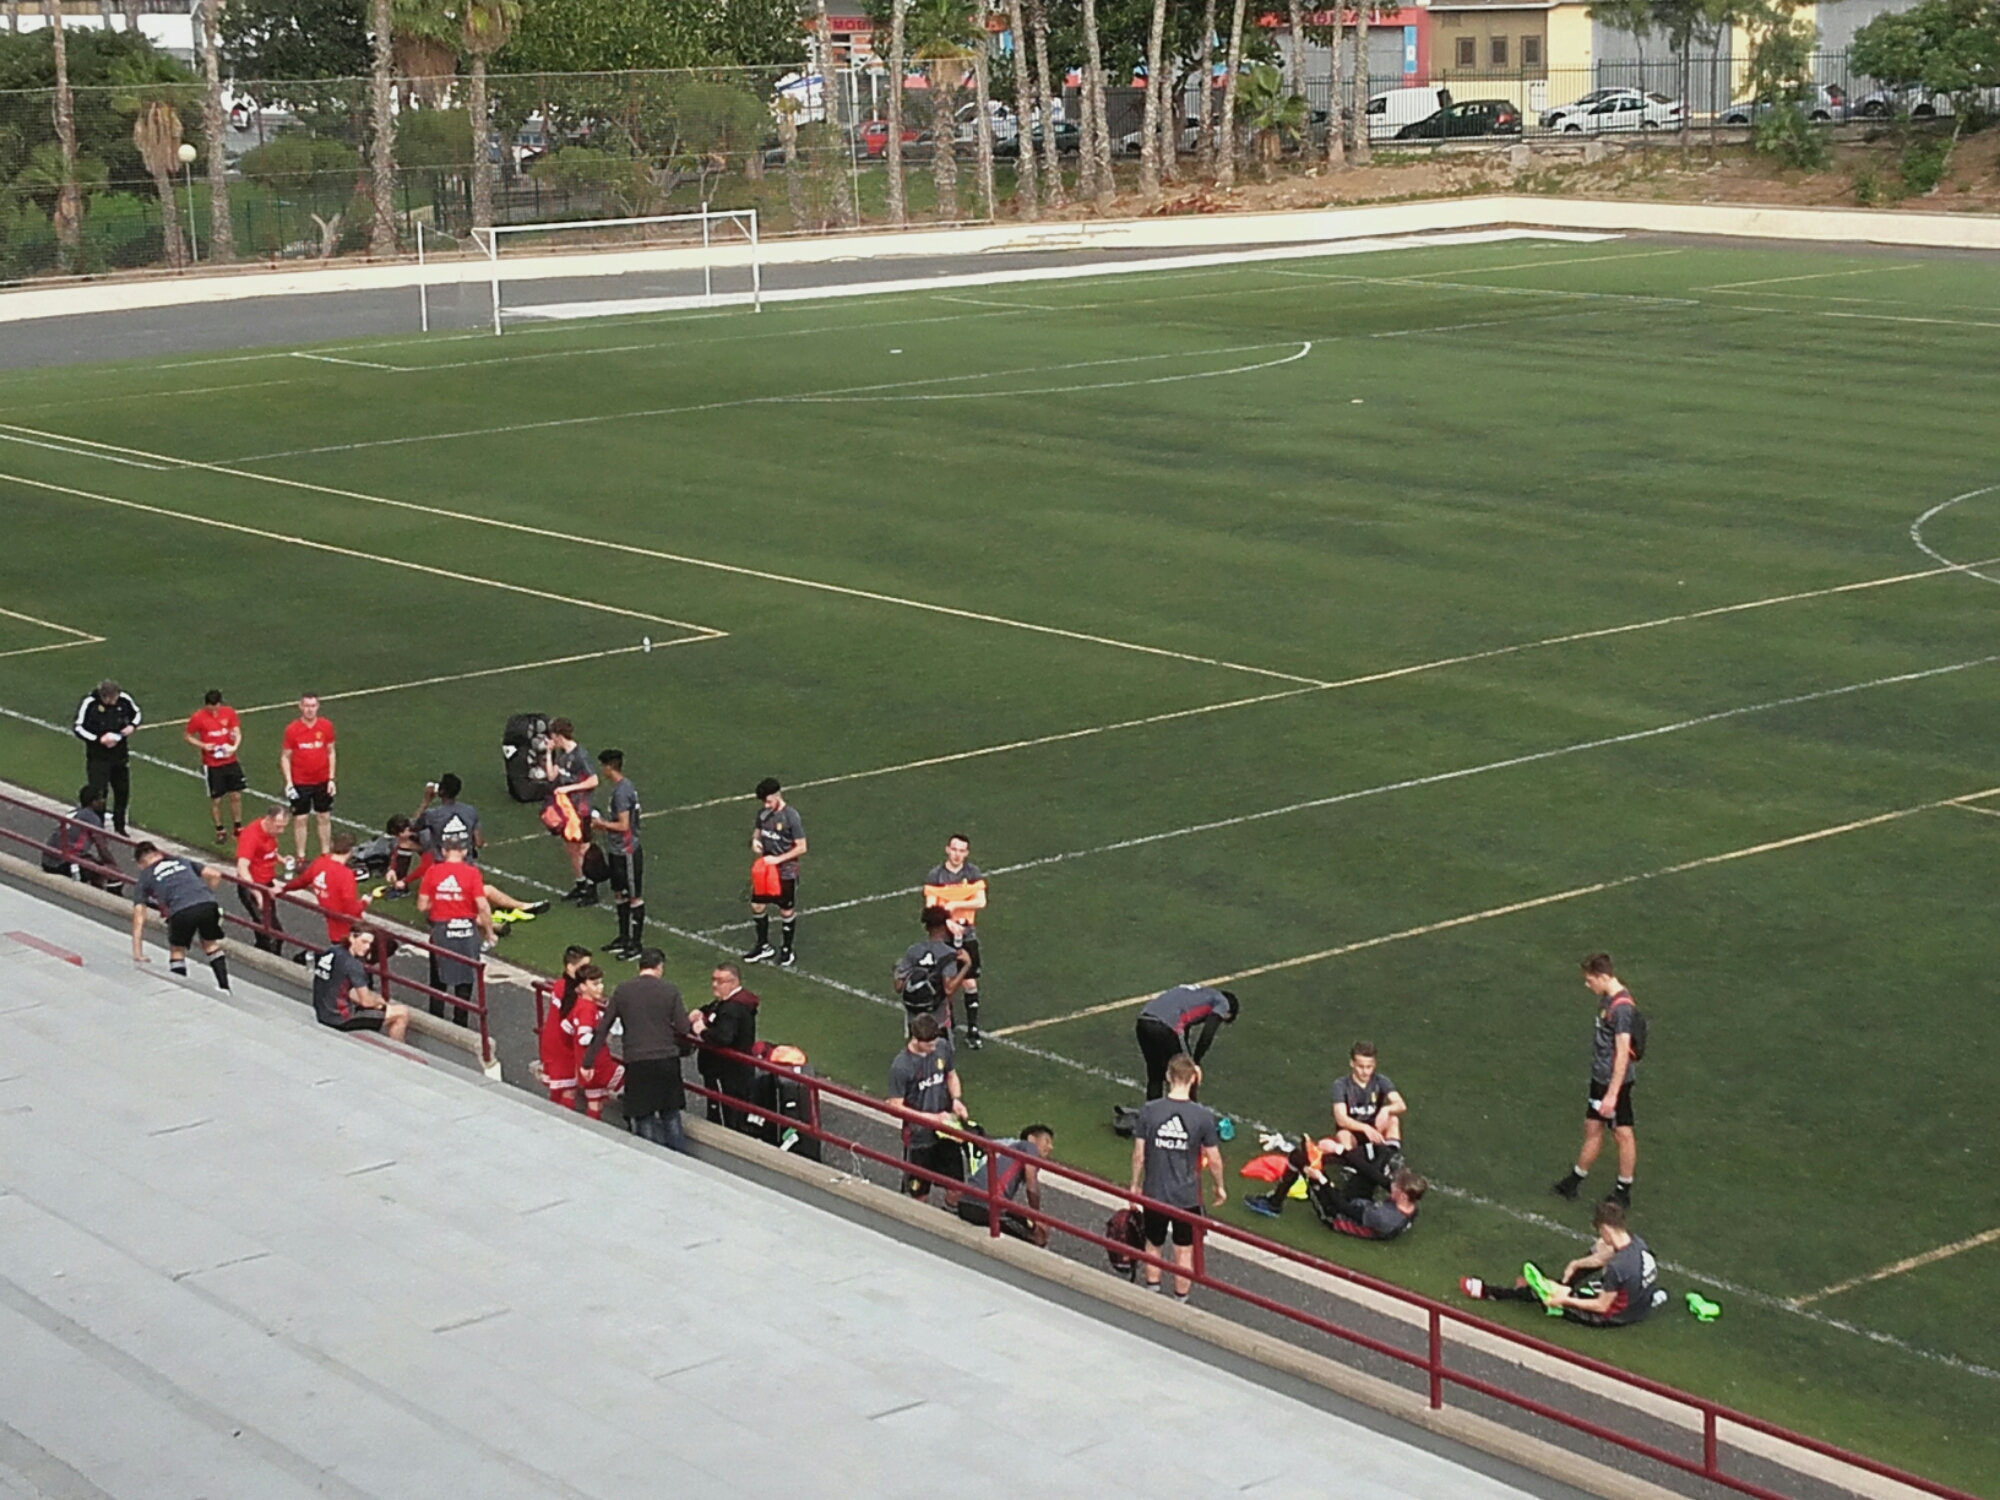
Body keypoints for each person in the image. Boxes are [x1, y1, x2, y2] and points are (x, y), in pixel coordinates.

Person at [1460, 1198, 1662, 1326]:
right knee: (1587, 1264)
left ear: (1605, 1229)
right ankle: (1560, 1285)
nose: (1601, 1237)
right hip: (1639, 1305)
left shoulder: (1618, 1268)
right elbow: (1606, 1256)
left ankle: (1491, 1292)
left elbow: (1601, 1307)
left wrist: (1564, 1300)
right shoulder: (1636, 1243)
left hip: (1613, 1316)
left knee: (1544, 1294)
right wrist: (1576, 1264)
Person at [1130, 1053, 1226, 1300]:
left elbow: (1139, 1155)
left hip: (1154, 1191)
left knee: (1153, 1243)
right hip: (1187, 1196)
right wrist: (1219, 1187)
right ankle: (1180, 1300)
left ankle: (1152, 1291)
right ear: (1193, 1078)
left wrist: (1134, 1185)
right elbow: (1214, 1159)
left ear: (1168, 1076)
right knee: (1184, 1250)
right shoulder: (1203, 1116)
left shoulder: (1150, 1110)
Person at [583, 948, 696, 1151]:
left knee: (644, 1118)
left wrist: (588, 1061)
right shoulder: (670, 990)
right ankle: (679, 1159)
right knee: (670, 1116)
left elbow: (603, 1027)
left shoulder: (623, 990)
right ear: (659, 967)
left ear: (639, 966)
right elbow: (683, 1027)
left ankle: (648, 1159)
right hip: (666, 1061)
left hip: (637, 1063)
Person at [1552, 953, 1641, 1208]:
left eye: (1590, 980)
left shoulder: (1621, 1009)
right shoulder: (1607, 1000)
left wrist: (1612, 1094)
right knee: (1592, 1127)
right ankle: (1574, 1180)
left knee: (1622, 1133)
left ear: (1602, 976)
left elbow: (1622, 1053)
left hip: (1614, 1083)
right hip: (1600, 1079)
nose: (1587, 984)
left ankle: (1623, 1190)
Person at [889, 1013, 968, 1200]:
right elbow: (895, 1106)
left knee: (957, 1189)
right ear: (915, 1039)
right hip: (920, 1138)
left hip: (946, 1131)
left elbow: (951, 1075)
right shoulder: (901, 1066)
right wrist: (933, 1119)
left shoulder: (942, 1046)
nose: (933, 1048)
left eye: (934, 1043)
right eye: (928, 1045)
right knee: (919, 1194)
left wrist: (956, 1099)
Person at [416, 833, 493, 1026]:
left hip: (441, 931)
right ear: (465, 851)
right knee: (465, 979)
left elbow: (422, 906)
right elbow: (483, 906)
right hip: (467, 931)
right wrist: (490, 932)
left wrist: (440, 901)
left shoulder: (433, 872)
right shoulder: (472, 873)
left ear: (444, 851)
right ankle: (460, 1022)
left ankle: (436, 1019)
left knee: (438, 979)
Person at [129, 843, 229, 989]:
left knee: (177, 949)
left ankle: (180, 987)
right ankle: (224, 987)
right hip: (207, 903)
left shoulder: (145, 876)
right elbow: (215, 874)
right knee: (210, 944)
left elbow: (139, 917)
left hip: (180, 909)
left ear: (141, 864)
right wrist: (207, 893)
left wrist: (138, 953)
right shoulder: (180, 860)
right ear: (159, 854)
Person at [923, 834, 988, 1047]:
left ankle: (973, 1028)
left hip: (967, 934)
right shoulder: (936, 875)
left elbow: (981, 901)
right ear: (947, 850)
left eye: (961, 851)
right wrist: (947, 921)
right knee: (945, 981)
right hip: (943, 936)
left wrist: (956, 904)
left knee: (970, 981)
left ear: (966, 853)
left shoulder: (972, 873)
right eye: (954, 849)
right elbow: (931, 906)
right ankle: (947, 1026)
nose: (957, 854)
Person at [1134, 985, 1239, 1100]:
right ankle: (1188, 1108)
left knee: (1155, 1074)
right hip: (1164, 1026)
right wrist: (1196, 1060)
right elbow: (1208, 1033)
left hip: (1143, 1022)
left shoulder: (1197, 995)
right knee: (1185, 1073)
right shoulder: (1222, 1002)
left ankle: (1153, 1108)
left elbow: (1185, 1027)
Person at [957, 1124, 1055, 1244]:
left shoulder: (1010, 1149)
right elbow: (1031, 1184)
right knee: (1036, 1235)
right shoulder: (1029, 1147)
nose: (1050, 1147)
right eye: (1046, 1141)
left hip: (967, 1201)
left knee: (1022, 1220)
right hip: (985, 1206)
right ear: (1031, 1138)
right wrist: (1036, 1216)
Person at [744, 777, 805, 968]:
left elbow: (802, 847)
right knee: (757, 905)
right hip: (766, 870)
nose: (766, 805)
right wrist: (755, 842)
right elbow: (757, 832)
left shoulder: (791, 817)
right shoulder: (763, 814)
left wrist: (778, 859)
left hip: (785, 871)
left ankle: (787, 949)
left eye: (769, 801)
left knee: (786, 910)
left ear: (777, 795)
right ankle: (763, 945)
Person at [590, 749, 644, 958]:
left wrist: (601, 824)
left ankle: (635, 944)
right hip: (616, 850)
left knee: (633, 897)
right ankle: (623, 937)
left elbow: (623, 825)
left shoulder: (622, 792)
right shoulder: (623, 787)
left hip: (626, 851)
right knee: (619, 893)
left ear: (609, 767)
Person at [312, 928, 410, 1040]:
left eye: (369, 943)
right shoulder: (354, 965)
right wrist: (379, 1001)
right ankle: (396, 1048)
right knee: (402, 1013)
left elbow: (343, 988)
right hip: (340, 1018)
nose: (367, 947)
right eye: (364, 942)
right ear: (352, 938)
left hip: (321, 1012)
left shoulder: (333, 951)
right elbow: (365, 1001)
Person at [697, 962, 760, 1132]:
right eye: (713, 979)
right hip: (734, 1072)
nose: (714, 984)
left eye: (720, 981)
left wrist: (702, 1031)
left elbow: (723, 1038)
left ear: (733, 982)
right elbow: (714, 1009)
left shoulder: (732, 1009)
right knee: (733, 1111)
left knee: (727, 1115)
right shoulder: (734, 1002)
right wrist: (701, 1012)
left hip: (726, 1073)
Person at [542, 718, 599, 903]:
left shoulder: (580, 755)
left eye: (552, 736)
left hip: (581, 809)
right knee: (571, 848)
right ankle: (580, 883)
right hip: (567, 811)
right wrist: (549, 753)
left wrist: (568, 788)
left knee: (583, 850)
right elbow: (551, 776)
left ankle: (591, 888)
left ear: (559, 735)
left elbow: (593, 780)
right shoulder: (562, 755)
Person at [281, 831, 371, 947]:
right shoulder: (346, 875)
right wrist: (364, 902)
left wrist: (284, 888)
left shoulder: (320, 862)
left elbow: (302, 881)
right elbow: (351, 910)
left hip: (334, 932)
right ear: (350, 851)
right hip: (351, 932)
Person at [74, 679, 140, 833]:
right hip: (98, 757)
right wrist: (98, 739)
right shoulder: (90, 703)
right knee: (99, 793)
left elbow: (137, 713)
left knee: (122, 791)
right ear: (104, 697)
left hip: (120, 755)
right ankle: (98, 826)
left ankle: (120, 826)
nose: (115, 701)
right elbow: (78, 727)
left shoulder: (124, 699)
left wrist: (132, 726)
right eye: (112, 699)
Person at [893, 907, 971, 1037]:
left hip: (914, 1020)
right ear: (944, 927)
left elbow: (898, 986)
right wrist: (966, 966)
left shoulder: (913, 950)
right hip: (937, 1019)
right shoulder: (948, 954)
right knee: (941, 1048)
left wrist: (897, 969)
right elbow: (949, 989)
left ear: (926, 927)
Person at [279, 694, 337, 866]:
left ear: (318, 706)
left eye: (313, 706)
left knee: (324, 816)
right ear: (300, 707)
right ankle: (301, 856)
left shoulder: (326, 726)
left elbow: (331, 751)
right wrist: (289, 782)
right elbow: (285, 756)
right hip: (301, 781)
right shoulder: (292, 729)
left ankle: (325, 854)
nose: (310, 709)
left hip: (322, 780)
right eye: (306, 706)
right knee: (300, 819)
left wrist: (331, 778)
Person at [184, 688, 244, 845]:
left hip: (230, 761)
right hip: (212, 764)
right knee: (216, 799)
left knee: (236, 795)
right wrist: (204, 745)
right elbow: (188, 736)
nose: (214, 711)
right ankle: (220, 829)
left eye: (216, 707)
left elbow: (237, 731)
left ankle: (238, 826)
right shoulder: (198, 717)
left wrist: (234, 746)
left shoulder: (229, 712)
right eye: (211, 708)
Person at [233, 805, 291, 956]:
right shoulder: (251, 836)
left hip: (266, 883)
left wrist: (282, 859)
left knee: (266, 925)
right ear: (269, 820)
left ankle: (260, 949)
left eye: (284, 827)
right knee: (273, 933)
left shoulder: (270, 832)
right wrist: (257, 892)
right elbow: (242, 867)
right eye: (278, 826)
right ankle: (270, 958)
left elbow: (269, 851)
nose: (281, 831)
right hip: (253, 885)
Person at [568, 965, 624, 1120]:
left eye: (600, 982)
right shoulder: (588, 1009)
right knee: (635, 1083)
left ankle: (591, 1127)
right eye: (595, 984)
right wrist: (602, 1031)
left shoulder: (579, 1004)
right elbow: (584, 1037)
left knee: (595, 1102)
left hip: (585, 1065)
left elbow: (568, 1027)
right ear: (582, 986)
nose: (600, 987)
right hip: (599, 1065)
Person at [1317, 1168, 1428, 1241]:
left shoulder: (1383, 1217)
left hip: (1338, 1218)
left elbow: (1344, 1208)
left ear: (1403, 1196)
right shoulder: (1411, 1206)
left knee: (1318, 1185)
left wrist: (1323, 1180)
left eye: (1396, 1187)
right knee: (1366, 1176)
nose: (1392, 1186)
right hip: (1368, 1209)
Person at [42, 785, 117, 889]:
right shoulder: (92, 819)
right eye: (100, 799)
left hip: (47, 860)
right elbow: (102, 848)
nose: (103, 802)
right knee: (101, 871)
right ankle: (95, 894)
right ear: (93, 802)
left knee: (90, 860)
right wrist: (114, 867)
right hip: (62, 863)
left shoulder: (74, 813)